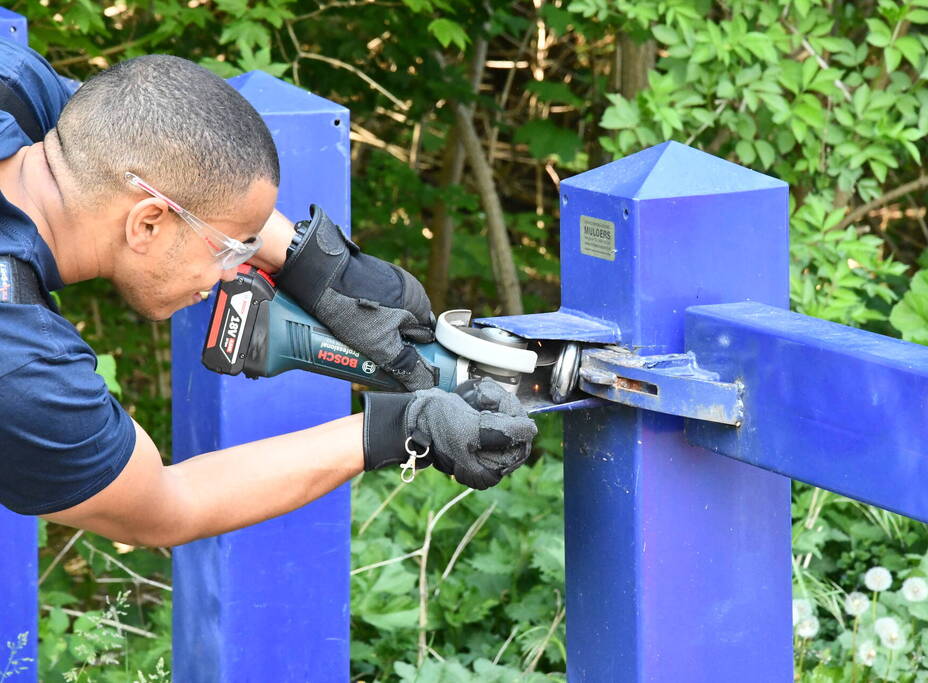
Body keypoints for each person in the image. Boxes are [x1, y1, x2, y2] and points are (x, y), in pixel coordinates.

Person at [0, 39, 537, 547]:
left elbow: (123, 127)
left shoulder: (15, 89)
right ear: (146, 225)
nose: (232, 270)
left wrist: (315, 264)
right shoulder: (22, 365)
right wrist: (403, 427)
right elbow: (162, 504)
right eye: (227, 249)